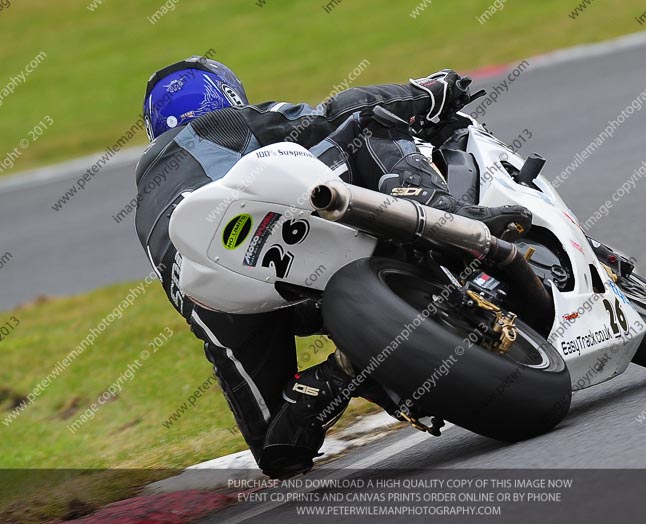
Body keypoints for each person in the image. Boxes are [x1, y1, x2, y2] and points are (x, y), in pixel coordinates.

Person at [134, 55, 531, 478]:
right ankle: (440, 208)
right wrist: (428, 95)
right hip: (284, 232)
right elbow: (343, 110)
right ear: (225, 94)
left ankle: (332, 379)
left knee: (279, 448)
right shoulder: (231, 122)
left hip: (223, 297)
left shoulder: (146, 202)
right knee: (368, 123)